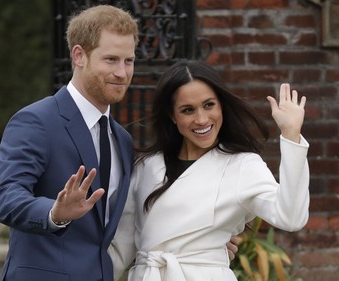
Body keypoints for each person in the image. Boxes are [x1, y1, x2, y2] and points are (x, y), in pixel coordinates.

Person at [108, 60, 310, 281]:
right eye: (188, 110)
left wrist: (291, 134)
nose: (202, 119)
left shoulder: (242, 165)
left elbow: (291, 217)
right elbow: (120, 250)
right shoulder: (145, 167)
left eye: (209, 105)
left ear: (221, 105)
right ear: (172, 115)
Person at [0, 5, 139, 281]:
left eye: (128, 61)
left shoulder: (123, 140)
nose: (122, 73)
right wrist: (54, 213)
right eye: (110, 60)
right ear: (79, 55)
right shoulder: (36, 121)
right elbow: (5, 197)